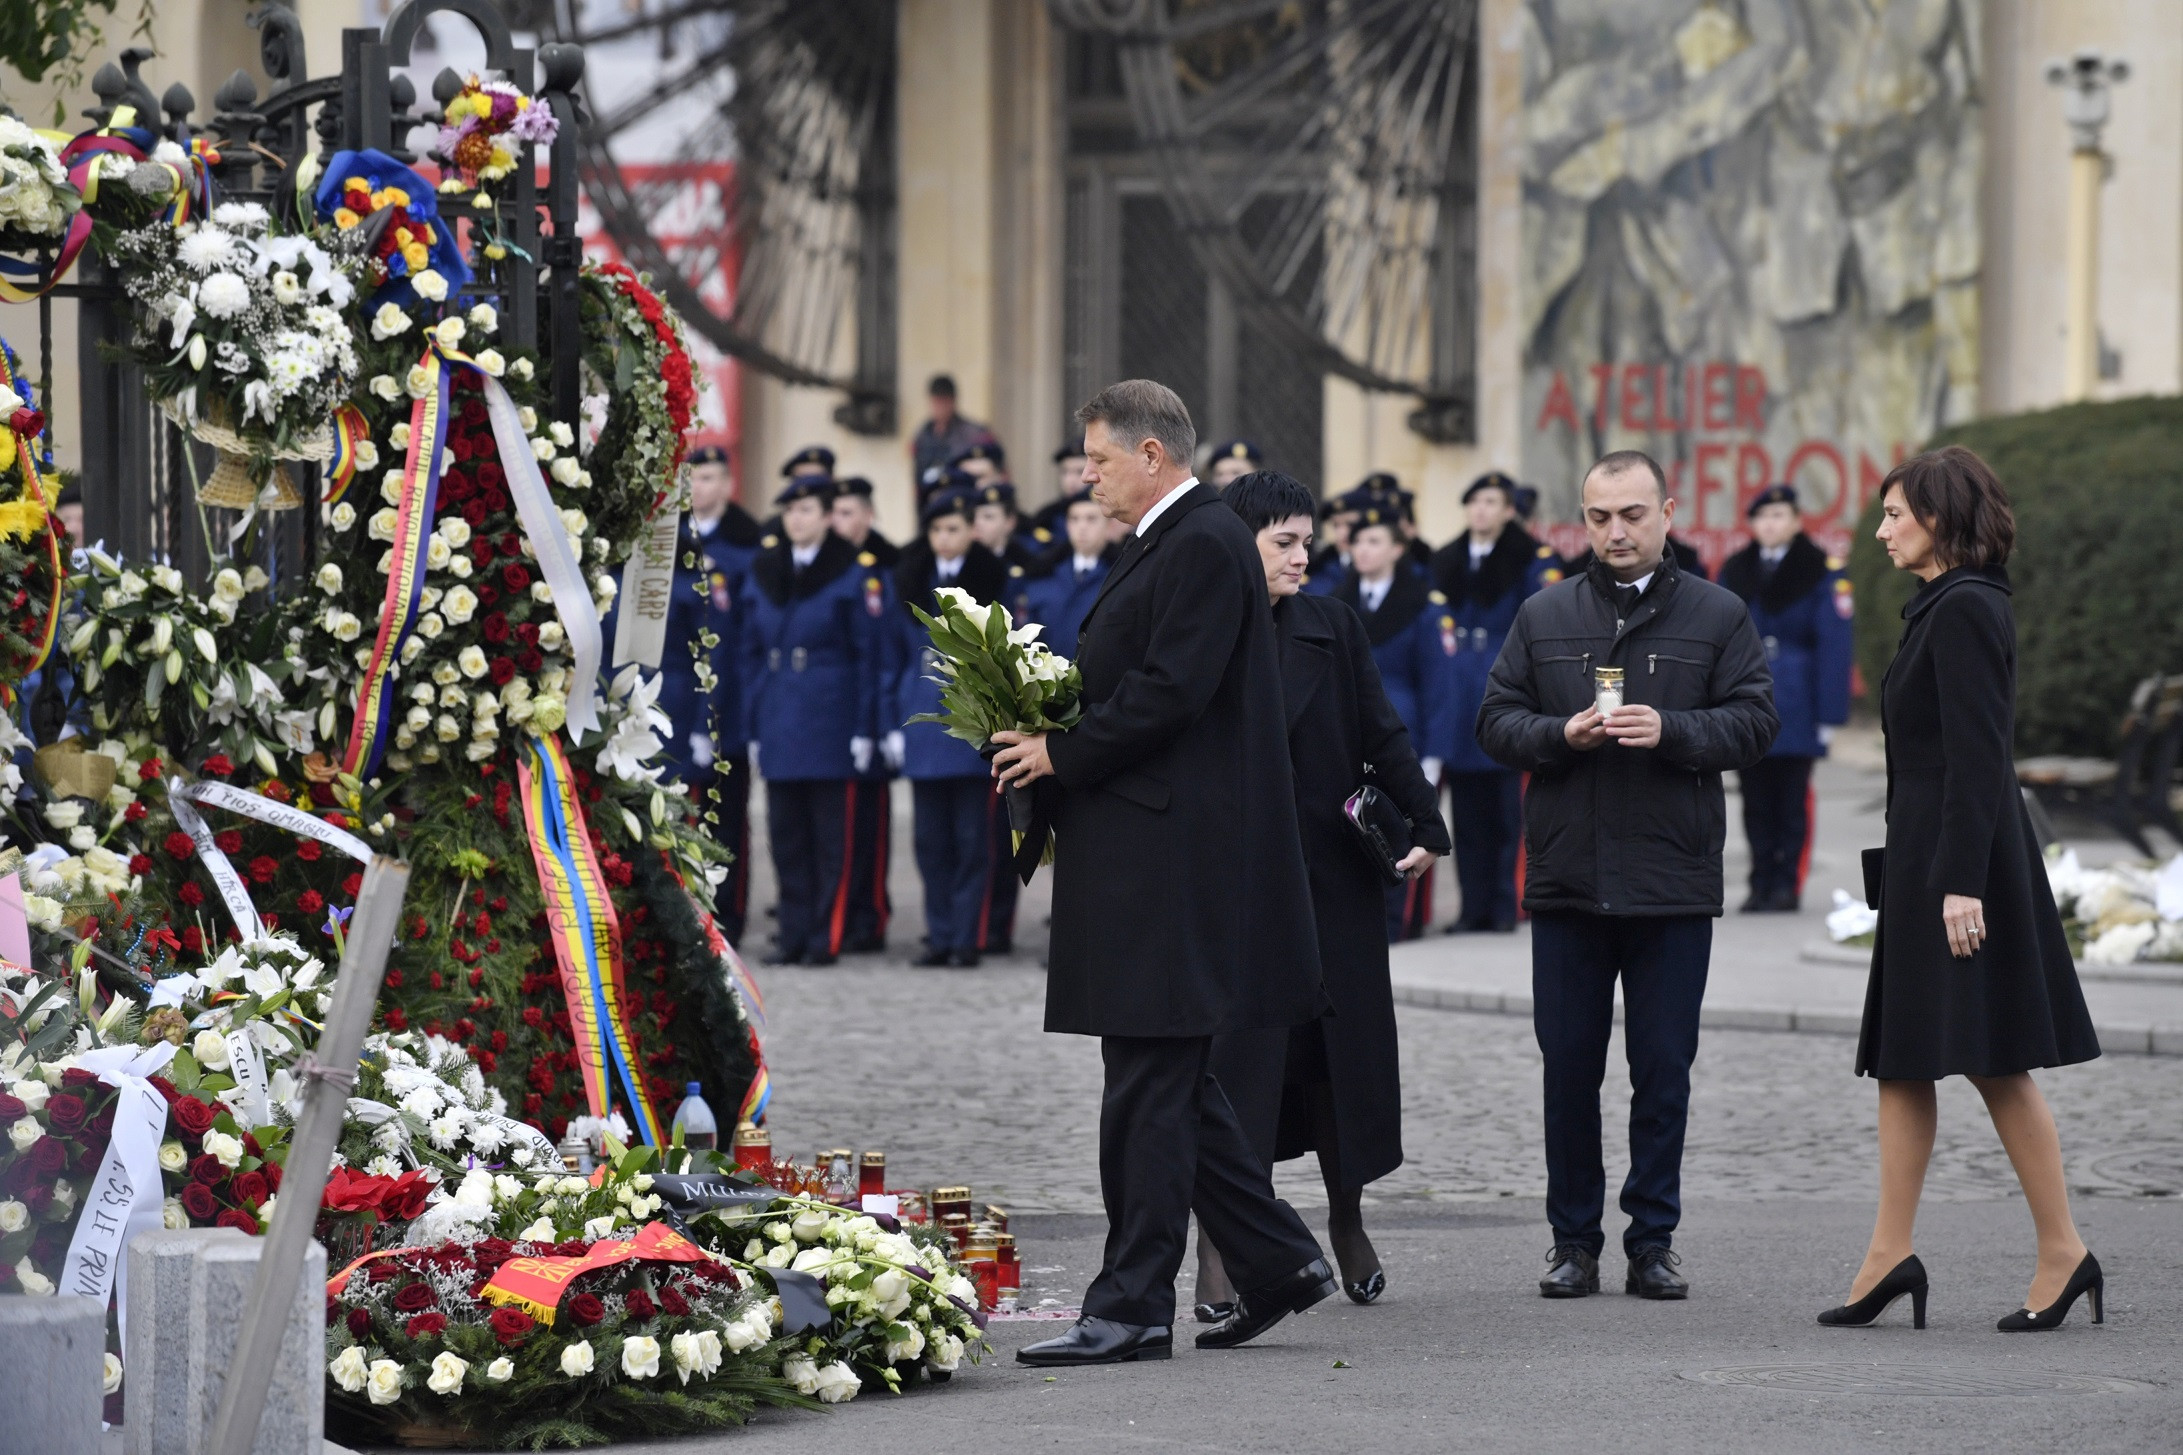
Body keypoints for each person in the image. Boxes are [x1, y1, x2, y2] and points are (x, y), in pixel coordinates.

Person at [992, 379, 1333, 1367]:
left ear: (1151, 454)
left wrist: (1064, 754)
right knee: (1168, 1084)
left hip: (1169, 860)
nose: (1085, 474)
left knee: (1145, 1090)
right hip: (1153, 851)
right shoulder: (1178, 542)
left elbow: (1170, 691)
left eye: (1097, 458)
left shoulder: (1197, 541)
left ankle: (1131, 1304)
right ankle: (1277, 1262)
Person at [1477, 449, 1777, 1302]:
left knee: (1662, 1071)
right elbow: (1494, 721)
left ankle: (1653, 1241)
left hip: (1670, 885)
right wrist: (1554, 737)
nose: (1615, 531)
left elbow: (1755, 723)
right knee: (1568, 1070)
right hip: (1569, 882)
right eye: (1600, 516)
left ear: (1667, 512)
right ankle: (1572, 1242)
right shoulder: (1543, 613)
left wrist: (1675, 729)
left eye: (1632, 514)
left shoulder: (1717, 614)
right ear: (1583, 518)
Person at [1822, 446, 2102, 1334]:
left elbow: (1979, 759)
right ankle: (1887, 1254)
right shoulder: (1940, 607)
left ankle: (2062, 1250)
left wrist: (1957, 885)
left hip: (1958, 869)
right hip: (1928, 866)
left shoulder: (1966, 609)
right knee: (1904, 1057)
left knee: (1992, 1057)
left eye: (1894, 514)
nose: (1880, 531)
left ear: (1938, 518)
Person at [1194, 470, 1447, 1321]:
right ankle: (1221, 1242)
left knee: (1337, 1064)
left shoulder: (1331, 626)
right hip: (1233, 888)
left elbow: (1380, 728)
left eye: (1308, 540)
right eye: (1284, 542)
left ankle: (1346, 1215)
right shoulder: (1198, 631)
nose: (1305, 556)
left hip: (1331, 881)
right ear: (1239, 546)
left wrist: (1424, 816)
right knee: (1237, 1067)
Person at [738, 473, 884, 966]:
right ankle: (794, 933)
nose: (796, 519)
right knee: (787, 837)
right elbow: (751, 654)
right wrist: (753, 724)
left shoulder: (851, 571)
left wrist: (866, 728)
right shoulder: (766, 569)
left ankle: (827, 934)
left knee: (830, 839)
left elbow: (868, 658)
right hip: (780, 714)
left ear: (826, 516)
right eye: (790, 511)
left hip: (831, 717)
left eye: (807, 511)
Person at [881, 486, 1011, 968]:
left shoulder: (993, 580)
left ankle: (966, 937)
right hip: (922, 723)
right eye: (936, 529)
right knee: (930, 843)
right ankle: (939, 935)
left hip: (972, 725)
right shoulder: (911, 579)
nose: (944, 538)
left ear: (971, 531)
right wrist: (892, 723)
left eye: (953, 528)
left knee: (973, 842)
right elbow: (893, 658)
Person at [1431, 472, 1559, 934]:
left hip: (1506, 687)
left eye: (1492, 501)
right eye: (1474, 501)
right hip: (1460, 694)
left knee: (1508, 815)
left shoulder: (1531, 559)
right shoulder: (1446, 558)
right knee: (1465, 817)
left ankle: (1506, 905)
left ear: (1509, 510)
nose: (1481, 510)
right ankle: (1472, 908)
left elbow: (1540, 626)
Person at [1717, 484, 1853, 913]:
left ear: (1796, 521)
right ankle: (1760, 881)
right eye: (1763, 516)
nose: (1771, 524)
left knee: (1792, 799)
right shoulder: (1736, 569)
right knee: (1754, 800)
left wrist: (1829, 714)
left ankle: (1787, 883)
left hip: (1798, 699)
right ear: (1752, 523)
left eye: (1780, 515)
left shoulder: (1820, 569)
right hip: (1746, 695)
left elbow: (1834, 644)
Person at [1330, 499, 1453, 942]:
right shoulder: (1335, 600)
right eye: (1358, 540)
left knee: (1398, 830)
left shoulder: (1419, 603)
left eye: (1375, 540)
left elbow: (1438, 684)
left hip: (1407, 735)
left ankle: (1397, 924)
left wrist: (1435, 754)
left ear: (1398, 548)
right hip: (1347, 735)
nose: (1364, 550)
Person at [666, 444, 765, 942]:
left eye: (709, 478)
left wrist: (728, 721)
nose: (699, 488)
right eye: (693, 478)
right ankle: (686, 912)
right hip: (679, 708)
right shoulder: (672, 543)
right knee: (678, 815)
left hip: (730, 707)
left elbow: (742, 645)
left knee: (726, 821)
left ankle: (729, 916)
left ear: (727, 484)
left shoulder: (748, 550)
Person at [825, 474, 900, 952]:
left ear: (869, 516)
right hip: (839, 715)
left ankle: (869, 914)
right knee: (838, 827)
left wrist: (884, 725)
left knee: (868, 827)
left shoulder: (885, 565)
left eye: (848, 513)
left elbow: (884, 653)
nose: (838, 522)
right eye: (834, 512)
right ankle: (838, 910)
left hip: (873, 713)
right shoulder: (829, 567)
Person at [1022, 492, 1112, 660]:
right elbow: (1029, 637)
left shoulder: (1118, 574)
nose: (1082, 527)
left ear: (1108, 526)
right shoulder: (1045, 574)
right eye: (1074, 519)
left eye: (1091, 519)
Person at [910, 373, 994, 477]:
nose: (939, 408)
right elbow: (918, 473)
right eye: (936, 402)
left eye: (943, 402)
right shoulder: (923, 434)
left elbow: (993, 469)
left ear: (953, 401)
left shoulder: (974, 433)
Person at [828, 477, 900, 568]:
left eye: (846, 513)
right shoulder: (823, 555)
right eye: (832, 512)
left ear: (868, 515)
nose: (835, 520)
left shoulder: (888, 559)